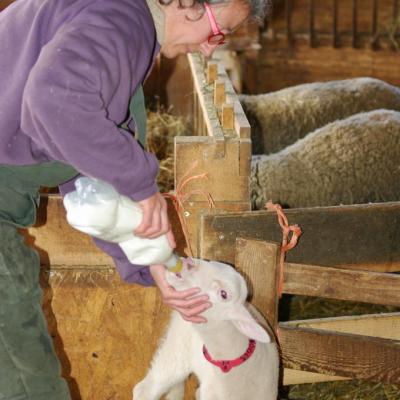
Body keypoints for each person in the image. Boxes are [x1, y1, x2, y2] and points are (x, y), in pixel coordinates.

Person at [0, 0, 271, 398]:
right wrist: (143, 186)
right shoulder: (119, 21)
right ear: (188, 4)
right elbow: (53, 103)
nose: (211, 48)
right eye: (218, 32)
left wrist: (154, 262)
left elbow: (93, 181)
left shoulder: (129, 33)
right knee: (23, 363)